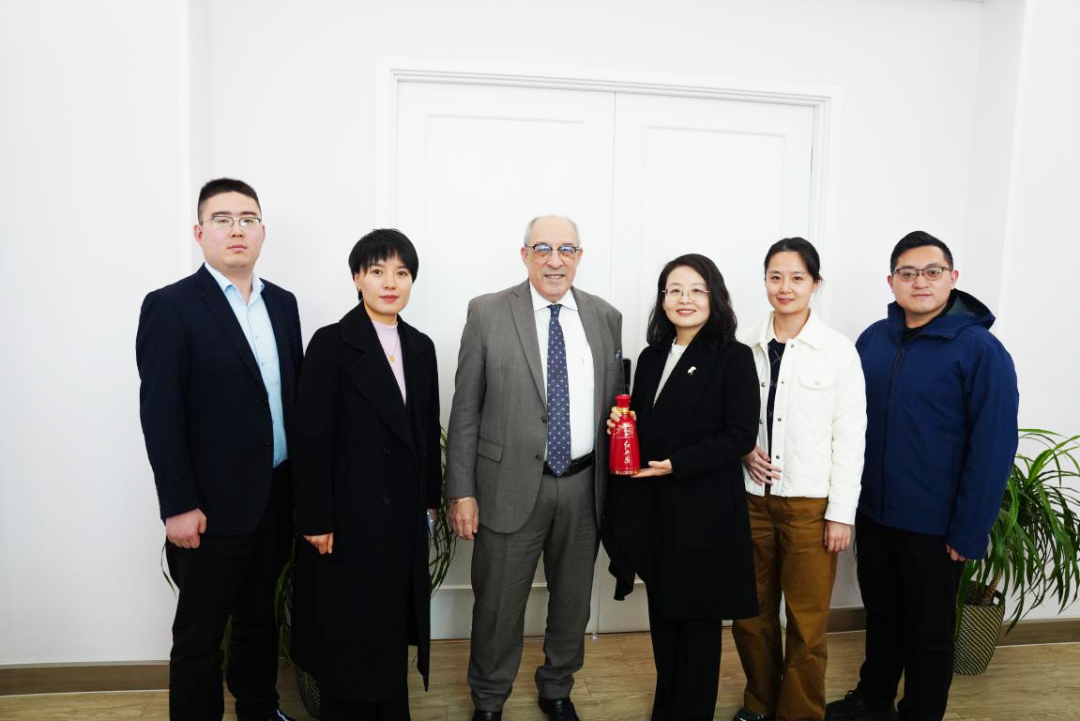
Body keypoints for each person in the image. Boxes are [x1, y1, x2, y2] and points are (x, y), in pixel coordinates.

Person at [825, 231, 1019, 721]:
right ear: (892, 281)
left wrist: (969, 529)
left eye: (933, 272)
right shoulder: (873, 339)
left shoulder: (980, 350)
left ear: (953, 278)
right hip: (875, 512)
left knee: (929, 630)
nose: (920, 282)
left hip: (936, 525)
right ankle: (873, 700)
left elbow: (993, 447)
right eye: (908, 273)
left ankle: (920, 712)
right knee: (882, 615)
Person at [136, 178, 302, 721]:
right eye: (223, 219)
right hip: (207, 508)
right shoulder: (171, 307)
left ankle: (259, 709)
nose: (237, 229)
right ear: (199, 232)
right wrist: (178, 504)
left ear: (262, 232)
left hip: (274, 496)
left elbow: (290, 399)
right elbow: (160, 415)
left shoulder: (283, 304)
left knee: (259, 619)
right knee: (200, 634)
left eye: (248, 219)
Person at [445, 215, 623, 721]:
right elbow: (465, 409)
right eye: (542, 248)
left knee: (572, 602)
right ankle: (488, 699)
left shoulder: (605, 317)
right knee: (497, 606)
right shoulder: (487, 312)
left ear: (579, 257)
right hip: (507, 487)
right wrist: (461, 490)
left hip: (584, 487)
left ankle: (557, 689)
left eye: (566, 249)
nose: (554, 260)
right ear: (524, 255)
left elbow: (616, 406)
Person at [290, 229, 441, 720]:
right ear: (358, 278)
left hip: (402, 519)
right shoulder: (331, 343)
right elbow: (310, 438)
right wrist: (316, 517)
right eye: (377, 271)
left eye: (401, 272)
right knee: (350, 631)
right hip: (347, 519)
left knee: (390, 626)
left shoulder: (420, 347)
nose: (389, 283)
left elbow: (425, 432)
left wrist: (430, 503)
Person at [603, 253, 760, 721]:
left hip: (704, 513)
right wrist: (620, 428)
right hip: (657, 511)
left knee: (698, 630)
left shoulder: (733, 357)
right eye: (674, 290)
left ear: (715, 298)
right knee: (665, 620)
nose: (684, 299)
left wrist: (676, 464)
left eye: (696, 290)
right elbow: (645, 423)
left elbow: (739, 436)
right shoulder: (651, 357)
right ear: (662, 299)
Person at [730, 238, 866, 721]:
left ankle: (801, 714)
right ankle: (760, 702)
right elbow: (725, 416)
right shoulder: (742, 344)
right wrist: (743, 448)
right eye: (775, 277)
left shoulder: (838, 351)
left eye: (796, 278)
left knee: (807, 624)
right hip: (750, 501)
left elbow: (850, 437)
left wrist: (841, 514)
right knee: (750, 615)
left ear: (815, 284)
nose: (784, 287)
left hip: (810, 508)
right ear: (765, 281)